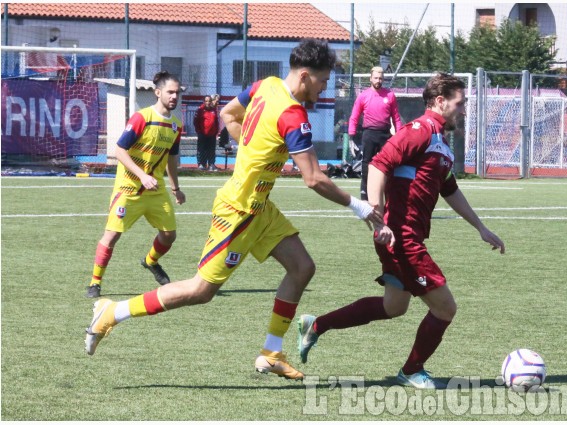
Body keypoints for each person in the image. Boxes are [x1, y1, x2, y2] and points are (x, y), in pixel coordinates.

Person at [84, 39, 384, 381]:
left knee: (302, 268)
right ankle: (112, 311)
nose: (325, 86)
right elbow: (314, 178)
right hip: (238, 211)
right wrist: (360, 207)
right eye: (322, 80)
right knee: (201, 290)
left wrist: (252, 151)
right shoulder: (293, 115)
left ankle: (271, 353)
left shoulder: (266, 84)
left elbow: (228, 113)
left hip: (259, 207)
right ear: (304, 76)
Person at [298, 73, 506, 389]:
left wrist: (480, 227)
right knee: (445, 307)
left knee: (393, 306)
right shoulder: (419, 132)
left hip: (404, 235)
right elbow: (379, 165)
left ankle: (316, 326)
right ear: (440, 101)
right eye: (460, 104)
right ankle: (412, 370)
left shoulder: (441, 143)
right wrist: (378, 216)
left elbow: (450, 189)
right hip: (400, 236)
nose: (463, 110)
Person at [85, 71, 186, 299]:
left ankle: (150, 261)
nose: (174, 96)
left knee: (169, 235)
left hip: (156, 189)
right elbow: (120, 151)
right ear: (157, 93)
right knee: (111, 236)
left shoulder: (176, 126)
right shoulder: (142, 118)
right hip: (129, 188)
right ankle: (94, 282)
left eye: (177, 93)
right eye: (170, 92)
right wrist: (141, 176)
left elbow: (171, 158)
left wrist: (176, 188)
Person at [348, 66, 403, 200]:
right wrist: (351, 136)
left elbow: (396, 117)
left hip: (385, 135)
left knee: (390, 164)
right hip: (369, 135)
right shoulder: (363, 96)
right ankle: (364, 193)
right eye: (376, 78)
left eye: (380, 78)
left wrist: (400, 135)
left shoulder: (390, 95)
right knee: (366, 163)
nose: (378, 80)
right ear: (371, 78)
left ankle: (390, 194)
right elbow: (354, 116)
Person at [193, 93, 220, 171]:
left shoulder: (213, 110)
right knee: (201, 149)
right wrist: (199, 131)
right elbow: (195, 122)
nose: (208, 102)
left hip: (212, 134)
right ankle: (202, 164)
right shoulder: (200, 110)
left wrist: (216, 131)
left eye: (209, 101)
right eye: (206, 101)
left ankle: (211, 164)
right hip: (202, 134)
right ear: (204, 102)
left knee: (211, 150)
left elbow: (216, 122)